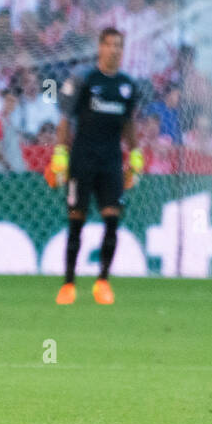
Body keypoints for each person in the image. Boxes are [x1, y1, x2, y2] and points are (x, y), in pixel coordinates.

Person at [48, 28, 138, 306]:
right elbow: (65, 118)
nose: (113, 50)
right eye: (109, 44)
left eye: (118, 46)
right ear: (100, 47)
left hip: (111, 160)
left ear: (123, 51)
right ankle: (69, 284)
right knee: (77, 220)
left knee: (112, 219)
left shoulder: (127, 85)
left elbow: (128, 123)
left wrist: (134, 156)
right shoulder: (84, 79)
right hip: (82, 158)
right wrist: (60, 153)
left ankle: (102, 282)